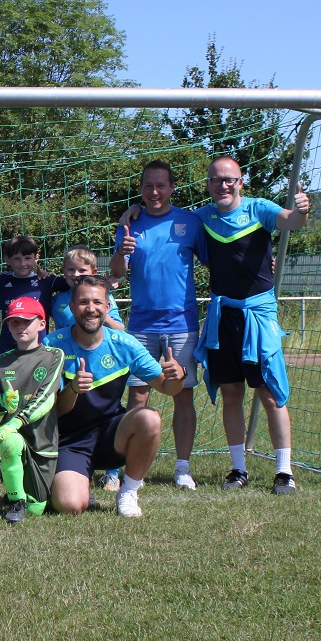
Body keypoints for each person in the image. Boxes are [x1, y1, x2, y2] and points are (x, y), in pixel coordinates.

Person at [193, 156, 310, 494]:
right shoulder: (203, 216)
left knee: (270, 394)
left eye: (229, 179)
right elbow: (171, 220)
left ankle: (284, 472)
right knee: (232, 394)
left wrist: (302, 210)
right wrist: (134, 213)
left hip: (258, 316)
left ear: (240, 182)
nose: (223, 184)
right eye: (216, 179)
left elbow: (291, 221)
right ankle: (238, 469)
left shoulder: (258, 209)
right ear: (209, 184)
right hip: (222, 317)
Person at [45, 276, 186, 518]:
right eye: (83, 302)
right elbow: (51, 411)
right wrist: (73, 389)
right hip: (70, 439)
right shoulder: (52, 346)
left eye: (98, 302)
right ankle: (74, 481)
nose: (91, 309)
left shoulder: (125, 344)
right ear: (71, 306)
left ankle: (128, 492)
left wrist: (178, 375)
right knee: (70, 506)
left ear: (108, 307)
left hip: (112, 433)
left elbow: (168, 388)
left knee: (150, 418)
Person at [109, 161, 206, 490]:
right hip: (141, 325)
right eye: (148, 186)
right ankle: (132, 469)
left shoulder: (189, 221)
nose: (154, 192)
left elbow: (218, 256)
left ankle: (182, 467)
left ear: (172, 188)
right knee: (138, 397)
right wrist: (122, 252)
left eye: (161, 185)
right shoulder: (129, 224)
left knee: (183, 395)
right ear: (141, 188)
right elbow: (117, 272)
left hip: (182, 324)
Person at [47, 245, 126, 492]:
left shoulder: (104, 297)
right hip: (68, 366)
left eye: (82, 269)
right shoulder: (58, 299)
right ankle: (69, 467)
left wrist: (104, 316)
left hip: (101, 365)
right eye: (70, 269)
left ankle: (112, 474)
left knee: (105, 414)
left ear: (93, 271)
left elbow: (121, 330)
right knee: (67, 413)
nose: (75, 274)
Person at [0, 297, 66, 524]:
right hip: (15, 437)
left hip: (42, 442)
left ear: (41, 324)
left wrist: (15, 421)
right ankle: (15, 500)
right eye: (14, 322)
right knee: (10, 442)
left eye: (26, 321)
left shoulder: (53, 356)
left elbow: (46, 399)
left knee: (37, 508)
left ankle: (24, 496)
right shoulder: (2, 362)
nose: (20, 327)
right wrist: (3, 401)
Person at [0, 235, 62, 354]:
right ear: (7, 259)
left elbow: (72, 283)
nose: (22, 263)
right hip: (8, 349)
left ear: (36, 258)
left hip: (38, 348)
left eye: (27, 258)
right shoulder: (1, 281)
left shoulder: (46, 280)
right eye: (17, 258)